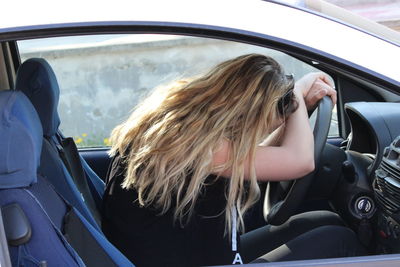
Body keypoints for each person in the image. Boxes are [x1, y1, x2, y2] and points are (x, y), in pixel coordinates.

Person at [101, 54, 365, 266]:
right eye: (273, 119)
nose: (271, 127)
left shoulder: (184, 133)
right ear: (248, 113)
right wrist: (295, 98)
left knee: (320, 221)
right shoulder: (196, 146)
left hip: (193, 254)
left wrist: (298, 106)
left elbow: (254, 158)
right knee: (340, 240)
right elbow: (301, 161)